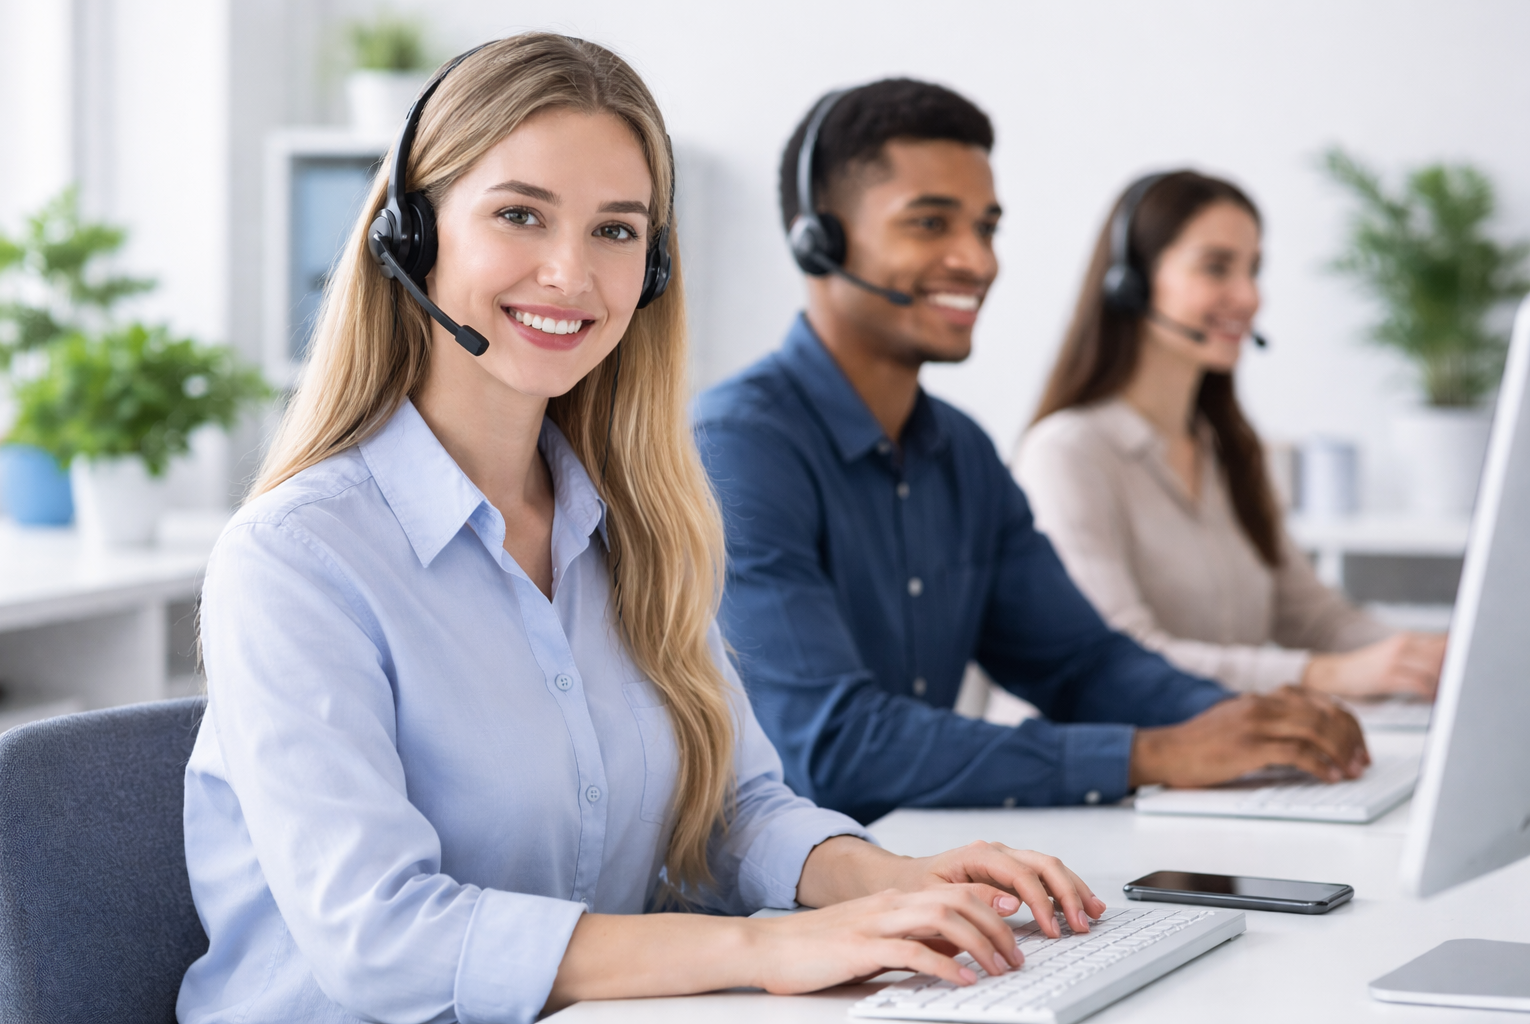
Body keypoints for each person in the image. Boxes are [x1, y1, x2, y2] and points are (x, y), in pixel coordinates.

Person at [177, 37, 1110, 1024]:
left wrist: (892, 880)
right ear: (413, 234)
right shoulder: (297, 558)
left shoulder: (639, 530)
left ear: (654, 266)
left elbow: (734, 813)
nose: (571, 273)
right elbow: (385, 937)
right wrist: (765, 948)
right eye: (519, 214)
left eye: (616, 231)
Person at [693, 80, 1369, 828]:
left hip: (915, 871)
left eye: (986, 227)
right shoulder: (739, 447)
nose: (977, 260)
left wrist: (1250, 724)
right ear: (817, 240)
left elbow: (1081, 663)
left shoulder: (960, 451)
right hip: (764, 914)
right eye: (929, 223)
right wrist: (1149, 755)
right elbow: (834, 747)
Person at [1016, 171, 1446, 698]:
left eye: (1254, 270)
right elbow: (1119, 656)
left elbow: (1315, 620)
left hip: (1216, 764)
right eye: (1217, 267)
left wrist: (1432, 654)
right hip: (1105, 770)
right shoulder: (1067, 453)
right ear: (1130, 283)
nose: (1248, 296)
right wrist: (1321, 676)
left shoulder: (1230, 451)